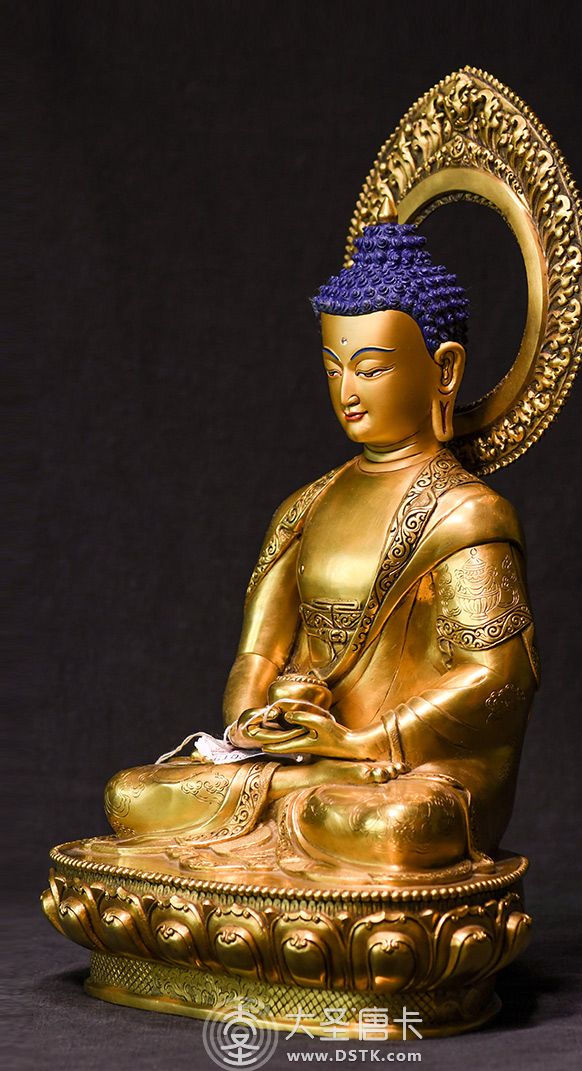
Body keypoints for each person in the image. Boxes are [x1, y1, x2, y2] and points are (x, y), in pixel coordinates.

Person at [101, 216, 539, 885]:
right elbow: (258, 654)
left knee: (387, 826)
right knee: (133, 796)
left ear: (444, 369)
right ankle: (288, 825)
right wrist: (253, 720)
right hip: (301, 764)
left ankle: (295, 831)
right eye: (333, 368)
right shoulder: (305, 507)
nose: (348, 392)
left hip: (410, 772)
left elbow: (496, 679)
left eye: (372, 368)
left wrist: (365, 741)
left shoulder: (466, 514)